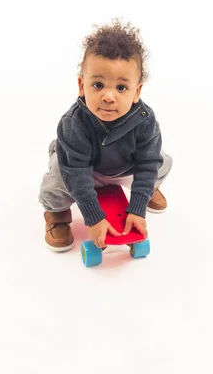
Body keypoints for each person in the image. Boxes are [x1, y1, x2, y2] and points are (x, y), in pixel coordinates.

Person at [38, 18, 173, 252]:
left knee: (161, 162)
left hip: (123, 170)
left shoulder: (145, 120)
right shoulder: (74, 123)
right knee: (57, 179)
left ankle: (144, 191)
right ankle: (57, 215)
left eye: (121, 88)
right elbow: (77, 173)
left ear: (136, 91)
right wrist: (93, 217)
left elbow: (147, 162)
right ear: (82, 86)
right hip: (84, 172)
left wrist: (137, 205)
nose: (109, 96)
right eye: (98, 85)